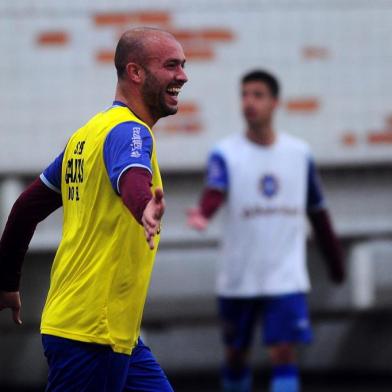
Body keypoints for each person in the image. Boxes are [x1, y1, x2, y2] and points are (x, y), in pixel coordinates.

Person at [0, 27, 187, 391]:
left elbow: (25, 207)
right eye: (171, 65)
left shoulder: (87, 135)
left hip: (114, 335)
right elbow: (132, 177)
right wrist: (144, 207)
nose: (182, 75)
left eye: (182, 65)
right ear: (135, 72)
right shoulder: (131, 132)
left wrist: (7, 281)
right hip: (92, 334)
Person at [187, 70, 344, 392]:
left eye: (257, 95)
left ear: (275, 102)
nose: (249, 102)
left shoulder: (299, 154)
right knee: (235, 354)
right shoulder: (225, 153)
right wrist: (203, 214)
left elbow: (318, 210)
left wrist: (335, 262)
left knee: (284, 351)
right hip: (239, 277)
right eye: (244, 94)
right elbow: (215, 190)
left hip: (285, 277)